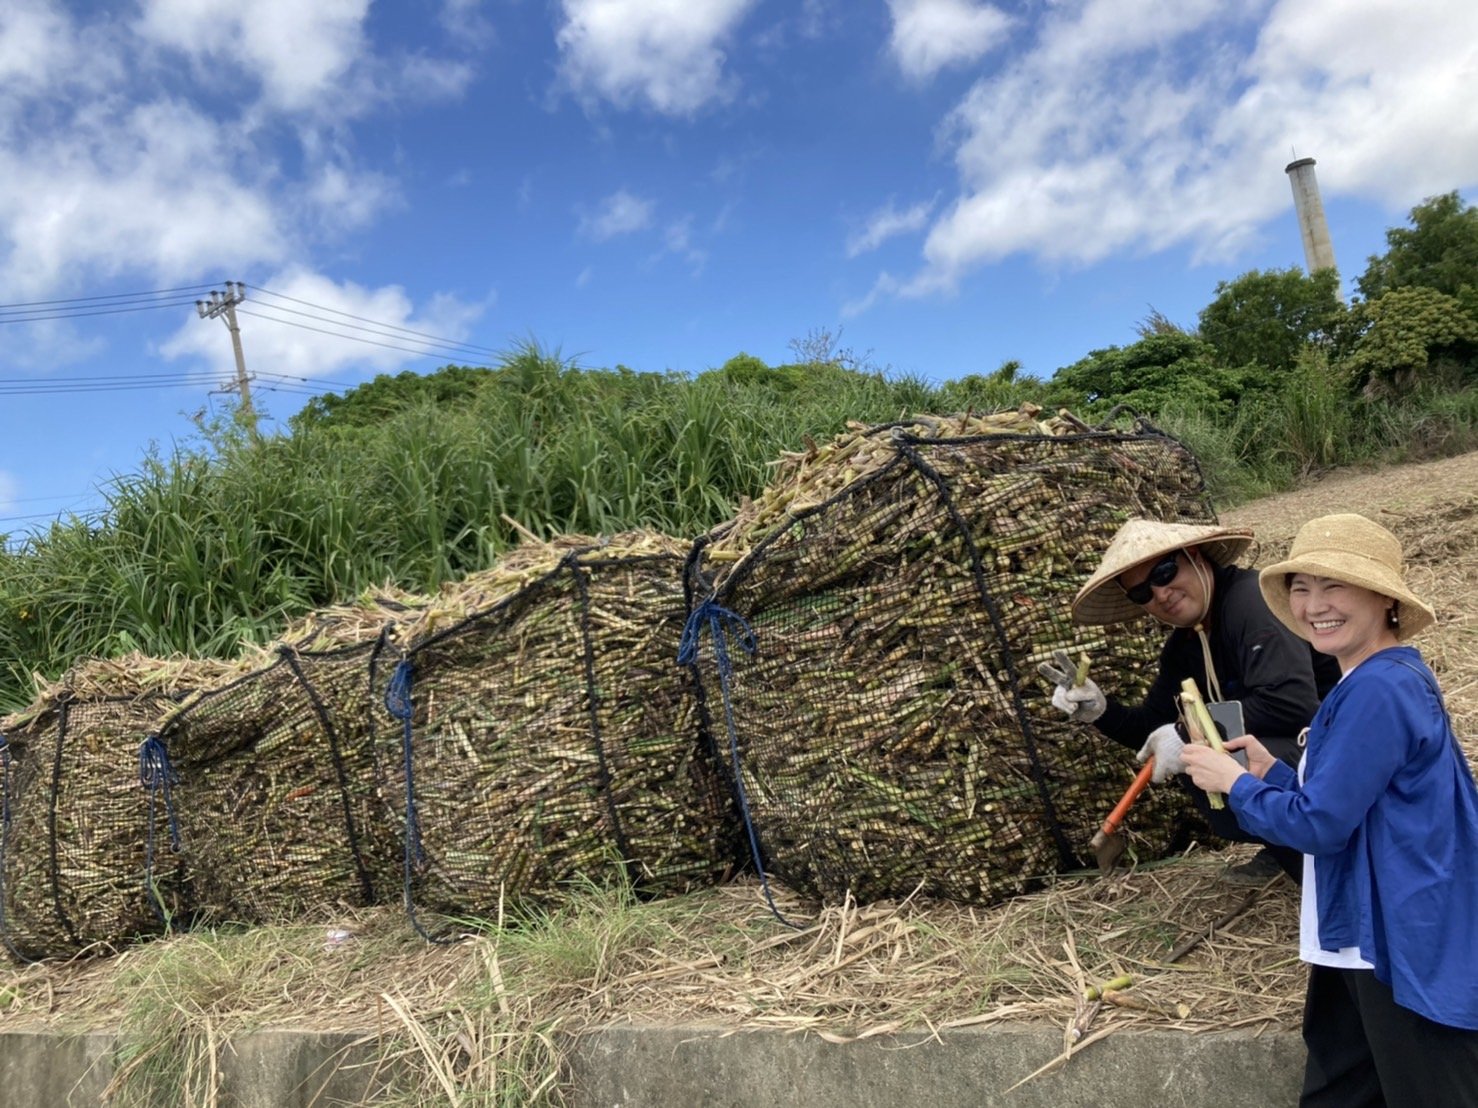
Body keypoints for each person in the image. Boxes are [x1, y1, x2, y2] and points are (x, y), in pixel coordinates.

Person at [1180, 513, 1478, 1105]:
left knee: (1429, 1090)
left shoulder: (1378, 689)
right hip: (1359, 930)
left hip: (1397, 929)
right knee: (1341, 1086)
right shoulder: (1370, 679)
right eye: (1302, 587)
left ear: (1384, 598)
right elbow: (1354, 800)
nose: (1316, 604)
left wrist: (1236, 785)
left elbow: (1320, 825)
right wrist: (1273, 773)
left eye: (1335, 585)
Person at [1044, 518, 1339, 882]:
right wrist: (1101, 712)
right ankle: (1289, 847)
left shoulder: (1250, 601)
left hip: (1339, 750)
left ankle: (1321, 868)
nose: (1160, 594)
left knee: (1221, 756)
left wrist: (1188, 732)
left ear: (1196, 557)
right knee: (1198, 764)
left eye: (1164, 573)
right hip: (1301, 757)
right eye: (1142, 594)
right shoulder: (1185, 646)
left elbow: (1293, 703)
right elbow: (1153, 728)